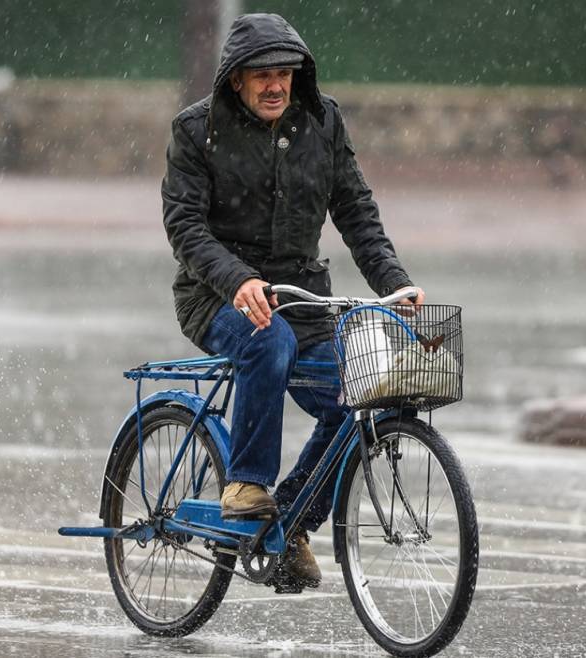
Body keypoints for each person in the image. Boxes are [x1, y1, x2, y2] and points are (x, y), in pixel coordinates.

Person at [161, 13, 423, 588]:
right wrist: (237, 280)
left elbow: (356, 211)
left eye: (284, 73)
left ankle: (293, 521)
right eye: (262, 76)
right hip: (217, 297)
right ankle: (246, 485)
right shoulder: (197, 130)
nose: (276, 85)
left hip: (304, 300)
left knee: (361, 395)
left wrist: (394, 283)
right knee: (266, 337)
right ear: (236, 80)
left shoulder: (322, 122)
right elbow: (184, 225)